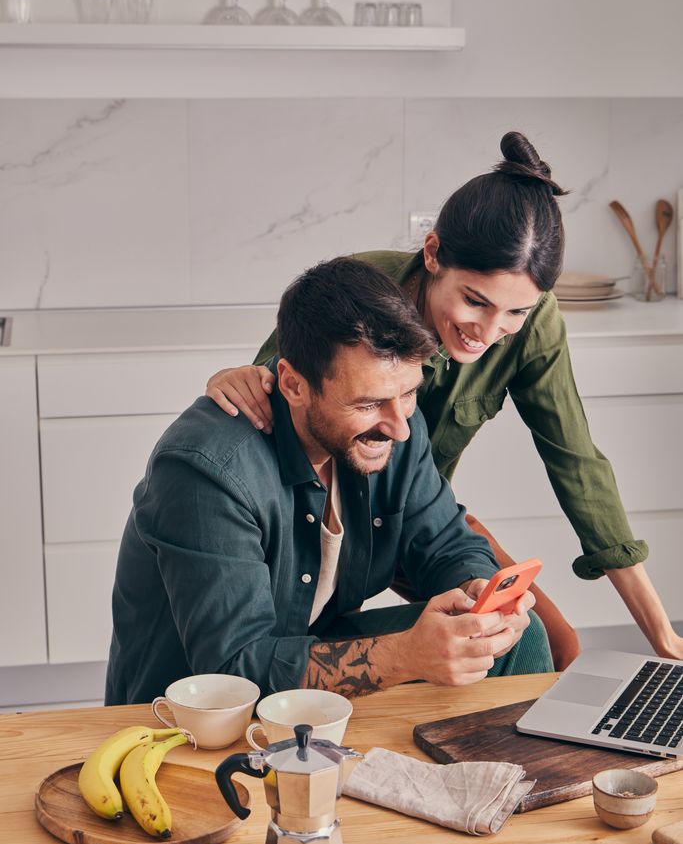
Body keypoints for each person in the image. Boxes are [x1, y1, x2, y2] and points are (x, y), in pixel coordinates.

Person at [205, 131, 681, 668]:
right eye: (475, 301)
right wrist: (240, 376)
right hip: (315, 517)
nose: (490, 330)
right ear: (432, 253)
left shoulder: (530, 327)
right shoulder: (362, 293)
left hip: (416, 515)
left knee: (539, 641)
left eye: (516, 312)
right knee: (303, 643)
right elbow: (279, 388)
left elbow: (576, 461)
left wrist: (662, 633)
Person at [105, 257, 552, 706]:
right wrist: (404, 657)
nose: (399, 426)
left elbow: (447, 545)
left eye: (409, 392)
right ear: (294, 385)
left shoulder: (394, 428)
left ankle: (501, 774)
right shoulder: (207, 471)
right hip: (192, 711)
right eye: (369, 403)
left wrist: (478, 592)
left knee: (519, 637)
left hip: (304, 663)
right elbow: (232, 670)